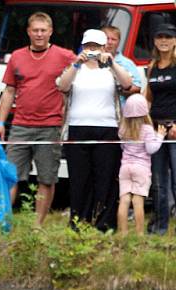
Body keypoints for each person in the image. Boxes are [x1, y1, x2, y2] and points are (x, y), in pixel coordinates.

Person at [0, 12, 76, 227]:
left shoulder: (65, 56)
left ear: (50, 32)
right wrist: (1, 123)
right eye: (35, 30)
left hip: (50, 126)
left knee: (46, 178)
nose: (39, 34)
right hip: (20, 124)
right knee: (10, 176)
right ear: (28, 32)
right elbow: (9, 91)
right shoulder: (17, 56)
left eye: (43, 30)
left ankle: (37, 225)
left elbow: (83, 75)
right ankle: (2, 222)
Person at [56, 29, 132, 230]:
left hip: (107, 128)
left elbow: (127, 83)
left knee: (105, 177)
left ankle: (104, 223)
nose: (92, 50)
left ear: (104, 47)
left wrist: (111, 63)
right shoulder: (75, 68)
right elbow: (62, 86)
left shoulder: (111, 69)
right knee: (79, 178)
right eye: (88, 46)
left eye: (96, 47)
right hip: (77, 128)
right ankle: (78, 221)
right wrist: (77, 63)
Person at [117, 94, 165, 236]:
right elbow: (151, 149)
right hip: (141, 168)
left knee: (124, 200)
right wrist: (160, 136)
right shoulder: (147, 129)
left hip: (125, 167)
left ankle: (123, 233)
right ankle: (139, 234)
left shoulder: (123, 128)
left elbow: (122, 148)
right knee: (138, 201)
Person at [145, 23, 176, 235]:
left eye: (168, 37)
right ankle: (160, 227)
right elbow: (147, 99)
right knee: (157, 182)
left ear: (174, 40)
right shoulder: (152, 66)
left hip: (174, 127)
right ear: (155, 40)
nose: (163, 40)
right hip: (155, 128)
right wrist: (146, 126)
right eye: (160, 36)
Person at [102, 25, 142, 99]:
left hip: (121, 106)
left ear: (119, 42)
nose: (110, 42)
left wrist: (118, 89)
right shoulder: (92, 62)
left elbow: (137, 88)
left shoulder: (128, 63)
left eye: (113, 39)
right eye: (107, 39)